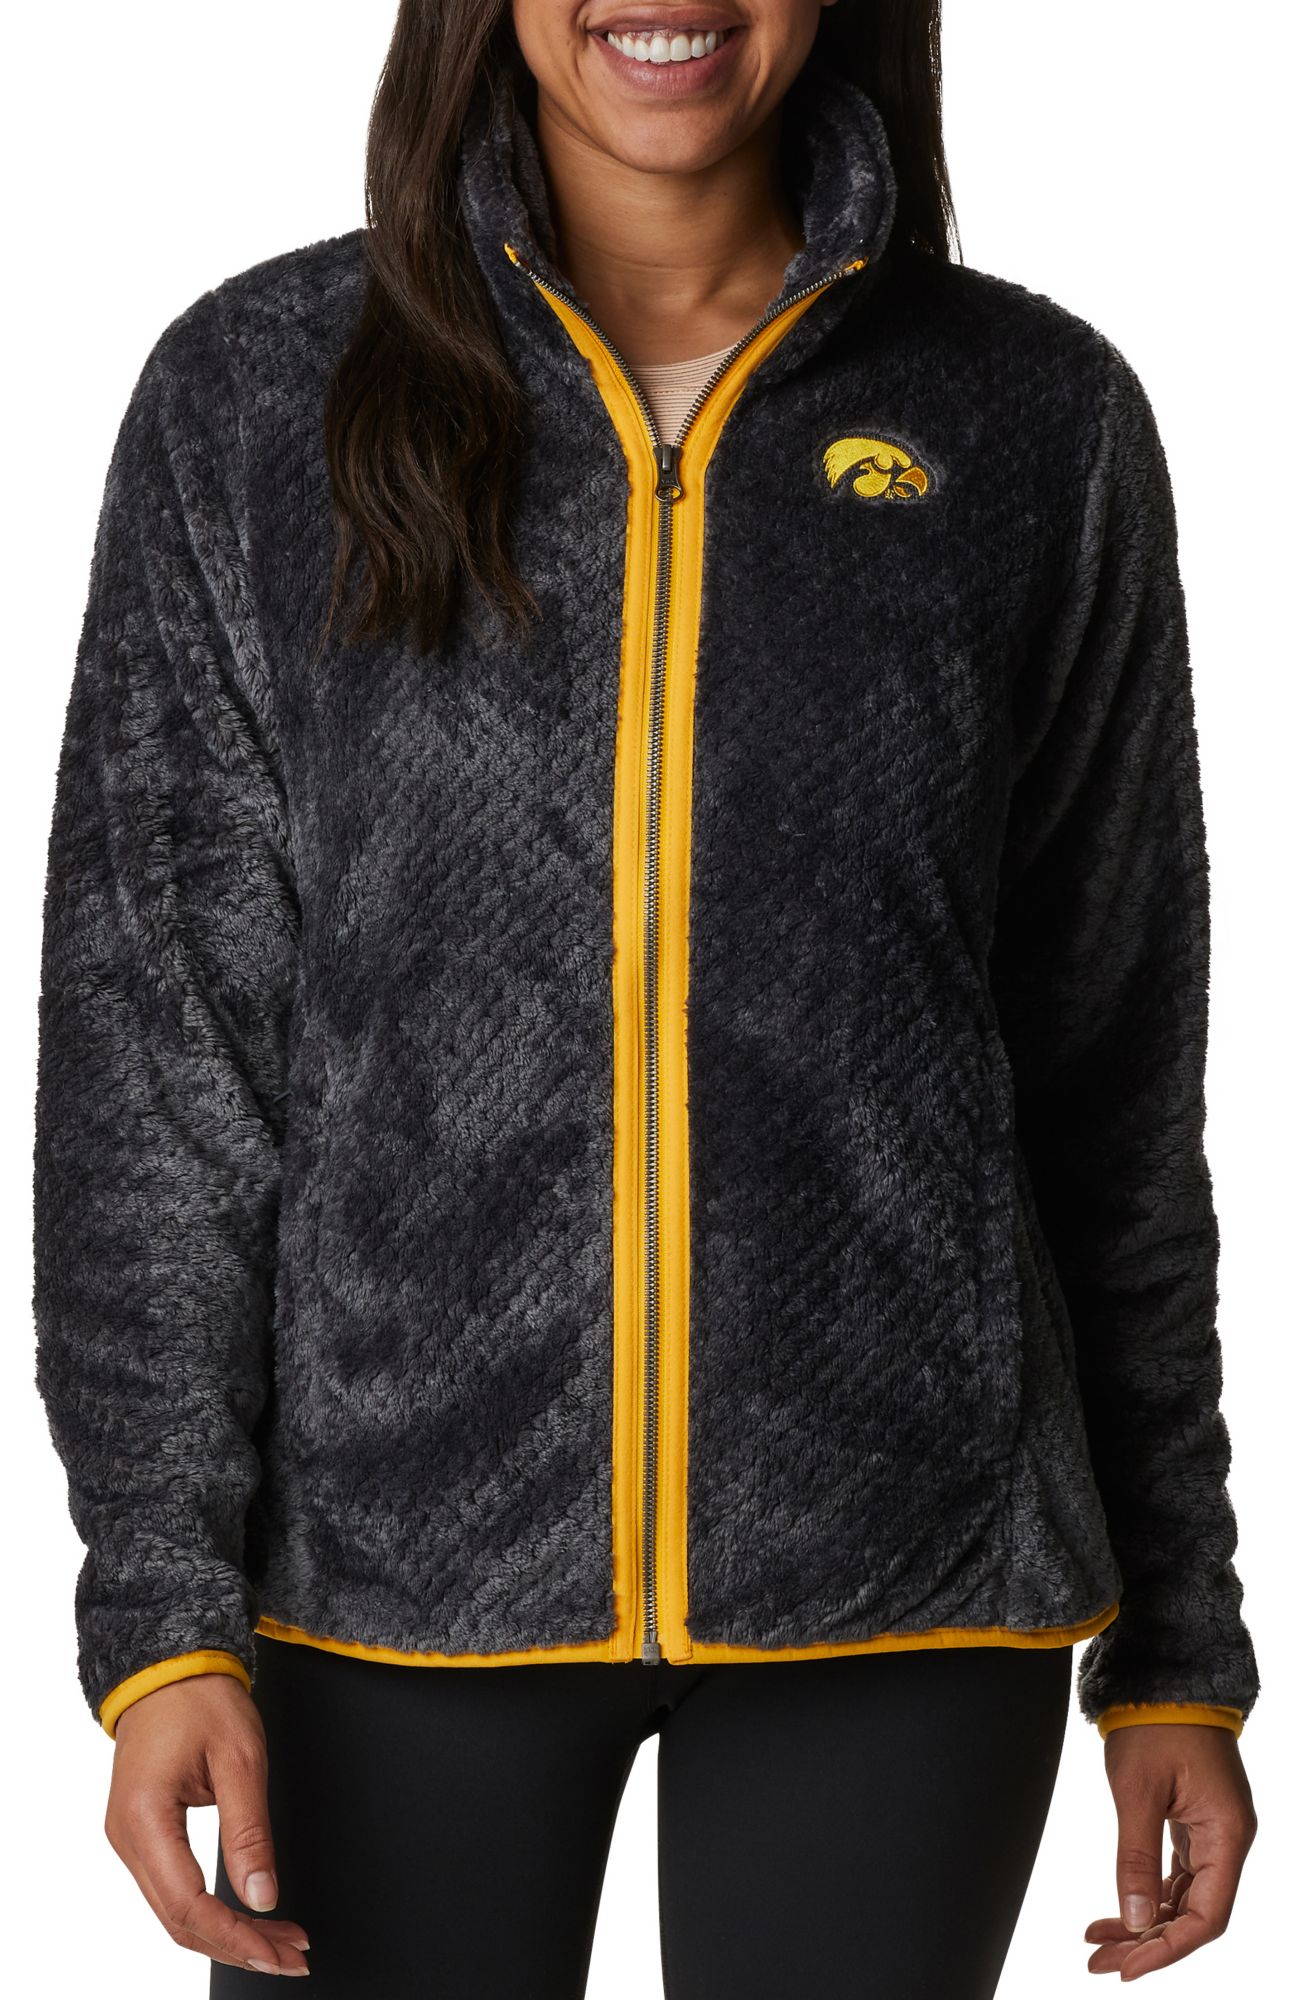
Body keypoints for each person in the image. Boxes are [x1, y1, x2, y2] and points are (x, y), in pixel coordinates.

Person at [31, 2, 1261, 1994]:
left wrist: (1178, 1641)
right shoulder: (258, 397)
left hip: (907, 1580)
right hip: (384, 1585)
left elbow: (1116, 1074)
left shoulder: (1032, 419)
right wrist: (161, 1614)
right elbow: (161, 1061)